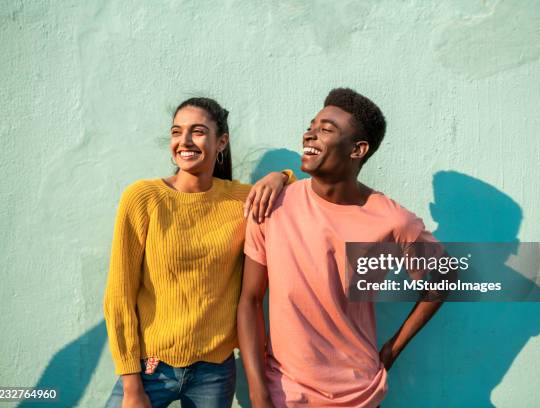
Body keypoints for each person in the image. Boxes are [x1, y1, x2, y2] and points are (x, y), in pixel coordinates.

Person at [238, 88, 445, 407]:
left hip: (360, 394)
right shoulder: (272, 205)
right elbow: (250, 300)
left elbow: (444, 279)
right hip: (286, 392)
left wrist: (391, 350)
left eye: (326, 129)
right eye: (311, 125)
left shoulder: (391, 221)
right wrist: (258, 393)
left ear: (357, 149)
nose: (310, 134)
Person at [103, 97, 294, 408]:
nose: (184, 141)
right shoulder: (143, 198)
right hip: (151, 368)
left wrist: (280, 176)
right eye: (177, 132)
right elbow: (118, 296)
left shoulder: (240, 201)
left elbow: (295, 194)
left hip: (214, 372)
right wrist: (131, 385)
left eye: (198, 132)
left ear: (222, 142)